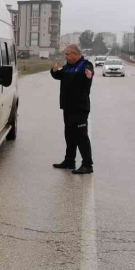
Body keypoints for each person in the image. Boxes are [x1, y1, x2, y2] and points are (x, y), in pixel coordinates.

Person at [50, 44, 94, 174]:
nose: (66, 56)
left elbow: (89, 75)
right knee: (69, 136)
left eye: (67, 54)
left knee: (81, 136)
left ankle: (87, 165)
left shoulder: (85, 65)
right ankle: (69, 162)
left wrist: (89, 76)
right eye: (65, 54)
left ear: (75, 54)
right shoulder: (68, 66)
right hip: (68, 107)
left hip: (80, 108)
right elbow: (59, 76)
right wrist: (54, 71)